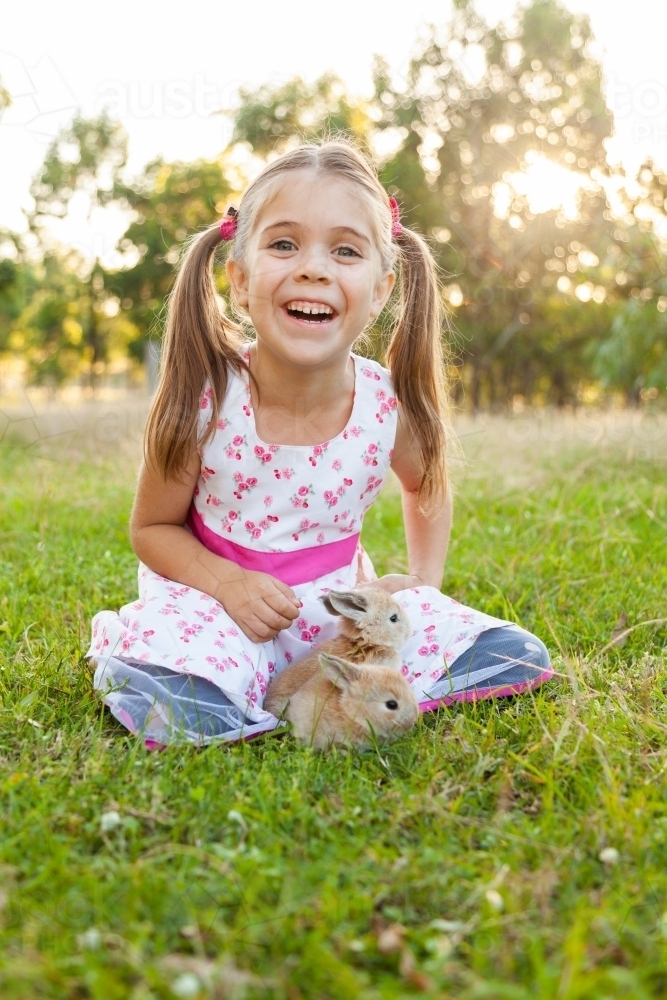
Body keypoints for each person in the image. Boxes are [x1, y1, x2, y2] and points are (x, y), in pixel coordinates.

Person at [87, 140, 552, 745]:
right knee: (180, 667)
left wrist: (422, 585)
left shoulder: (386, 405)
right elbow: (152, 529)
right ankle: (216, 682)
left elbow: (427, 483)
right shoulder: (208, 397)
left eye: (345, 250)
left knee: (510, 650)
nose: (313, 267)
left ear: (381, 289)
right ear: (241, 277)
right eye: (284, 244)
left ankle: (291, 681)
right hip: (223, 605)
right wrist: (228, 585)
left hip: (337, 615)